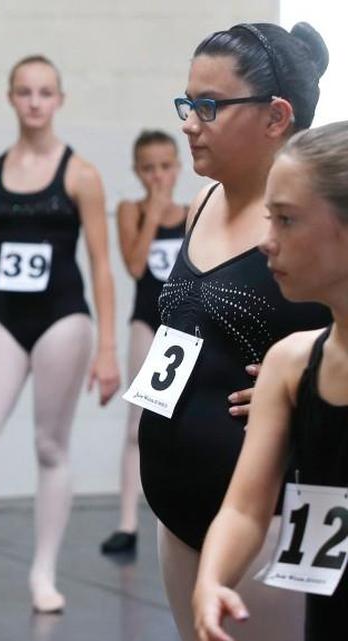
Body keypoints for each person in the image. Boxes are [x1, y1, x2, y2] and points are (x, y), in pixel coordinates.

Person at [137, 22, 330, 641]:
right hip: (177, 503)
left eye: (210, 106)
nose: (190, 123)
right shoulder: (201, 204)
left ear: (276, 117)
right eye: (188, 103)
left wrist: (307, 376)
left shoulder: (317, 225)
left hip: (267, 516)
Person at [0, 54, 121, 614]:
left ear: (59, 100)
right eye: (24, 92)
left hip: (64, 318)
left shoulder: (81, 175)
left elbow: (101, 264)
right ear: (10, 98)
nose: (35, 102)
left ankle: (43, 573)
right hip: (8, 321)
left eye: (44, 92)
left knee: (49, 446)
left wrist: (108, 349)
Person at [192, 121, 348, 641]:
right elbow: (244, 508)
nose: (266, 242)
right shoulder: (291, 363)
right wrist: (212, 578)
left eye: (286, 220)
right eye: (268, 219)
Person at [102, 130, 188, 555]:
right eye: (149, 168)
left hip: (183, 330)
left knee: (184, 422)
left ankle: (181, 514)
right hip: (147, 324)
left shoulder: (192, 214)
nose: (158, 176)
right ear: (137, 172)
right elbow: (136, 266)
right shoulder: (130, 210)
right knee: (137, 423)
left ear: (178, 168)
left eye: (165, 167)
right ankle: (127, 522)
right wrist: (153, 214)